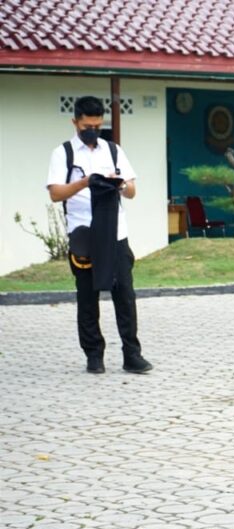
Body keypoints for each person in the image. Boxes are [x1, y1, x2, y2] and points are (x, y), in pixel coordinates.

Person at [46, 96, 152, 375]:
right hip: (84, 234)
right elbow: (55, 193)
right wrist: (85, 182)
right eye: (87, 127)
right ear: (75, 122)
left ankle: (132, 355)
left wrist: (119, 184)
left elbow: (132, 191)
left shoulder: (113, 150)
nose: (92, 131)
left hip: (116, 233)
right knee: (87, 297)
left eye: (97, 126)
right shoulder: (64, 153)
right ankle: (94, 355)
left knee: (125, 295)